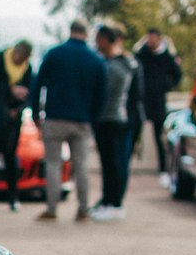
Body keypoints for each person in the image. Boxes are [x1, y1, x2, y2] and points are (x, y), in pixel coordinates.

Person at [29, 18, 107, 221]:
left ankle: (52, 209)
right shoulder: (95, 59)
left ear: (70, 30)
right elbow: (102, 95)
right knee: (81, 165)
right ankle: (83, 208)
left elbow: (37, 85)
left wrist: (36, 113)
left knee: (53, 164)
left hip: (55, 117)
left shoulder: (54, 54)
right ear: (86, 33)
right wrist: (93, 118)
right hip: (82, 120)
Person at [91, 24, 143, 221]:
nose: (96, 41)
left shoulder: (122, 65)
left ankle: (114, 203)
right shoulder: (114, 62)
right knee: (109, 163)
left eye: (98, 37)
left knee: (116, 163)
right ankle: (107, 201)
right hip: (111, 120)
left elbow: (132, 95)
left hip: (118, 120)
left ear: (107, 39)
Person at [0, 39, 34, 211]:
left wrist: (17, 108)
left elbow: (28, 93)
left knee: (11, 156)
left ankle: (13, 196)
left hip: (12, 118)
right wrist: (11, 90)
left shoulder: (27, 68)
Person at [133, 28, 181, 186]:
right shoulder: (142, 54)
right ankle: (126, 168)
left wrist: (165, 85)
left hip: (158, 101)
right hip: (142, 100)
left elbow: (177, 75)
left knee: (159, 137)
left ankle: (163, 170)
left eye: (153, 39)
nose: (150, 42)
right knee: (133, 132)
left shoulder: (167, 56)